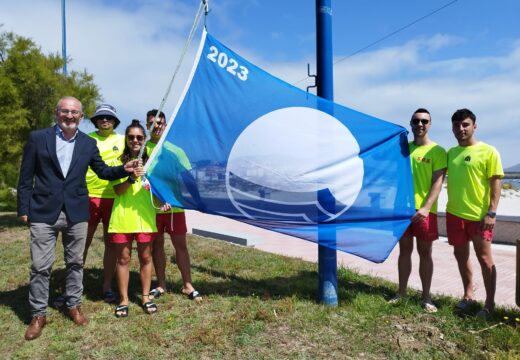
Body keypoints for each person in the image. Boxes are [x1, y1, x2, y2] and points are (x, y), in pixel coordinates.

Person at [17, 96, 139, 340]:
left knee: (75, 263)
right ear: (56, 113)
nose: (70, 116)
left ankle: (73, 305)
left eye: (74, 112)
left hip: (76, 212)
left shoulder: (87, 143)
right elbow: (25, 177)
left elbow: (103, 171)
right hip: (43, 212)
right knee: (40, 267)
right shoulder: (38, 138)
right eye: (65, 111)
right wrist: (23, 208)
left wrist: (123, 170)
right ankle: (38, 314)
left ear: (81, 117)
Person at [446, 108, 503, 319]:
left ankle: (489, 304)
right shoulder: (450, 153)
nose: (460, 129)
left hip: (480, 217)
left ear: (474, 126)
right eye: (456, 125)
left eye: (465, 125)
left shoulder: (489, 151)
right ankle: (468, 295)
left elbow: (496, 183)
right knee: (461, 256)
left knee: (485, 259)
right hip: (454, 214)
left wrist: (492, 212)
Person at [389, 108, 446, 313]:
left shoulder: (438, 151)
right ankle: (401, 293)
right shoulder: (404, 149)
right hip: (403, 210)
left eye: (424, 121)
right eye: (416, 121)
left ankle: (426, 297)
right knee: (404, 251)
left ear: (430, 124)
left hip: (425, 211)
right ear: (411, 124)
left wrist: (426, 207)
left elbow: (437, 182)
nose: (420, 124)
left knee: (425, 253)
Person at [145, 109, 202, 301]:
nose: (157, 126)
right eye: (152, 123)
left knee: (181, 246)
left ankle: (187, 284)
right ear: (147, 125)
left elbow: (189, 177)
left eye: (160, 123)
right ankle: (161, 285)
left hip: (174, 208)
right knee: (157, 246)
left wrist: (198, 200)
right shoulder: (142, 149)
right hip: (150, 208)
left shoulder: (176, 150)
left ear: (165, 125)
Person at [108, 120, 163, 317]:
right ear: (126, 139)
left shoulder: (152, 161)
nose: (135, 141)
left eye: (139, 137)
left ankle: (146, 297)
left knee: (146, 257)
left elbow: (157, 190)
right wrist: (131, 178)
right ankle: (123, 300)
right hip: (122, 216)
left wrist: (162, 200)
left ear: (144, 139)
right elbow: (117, 189)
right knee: (123, 259)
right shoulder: (117, 161)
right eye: (131, 137)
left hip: (145, 217)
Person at [83, 104, 125, 303]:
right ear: (95, 121)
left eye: (109, 117)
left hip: (114, 197)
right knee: (82, 242)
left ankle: (107, 285)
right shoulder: (86, 139)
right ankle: (74, 284)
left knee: (111, 244)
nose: (105, 120)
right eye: (101, 117)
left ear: (115, 121)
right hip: (89, 196)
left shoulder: (123, 140)